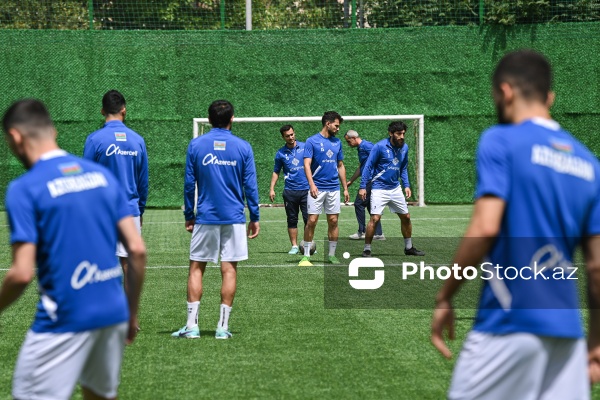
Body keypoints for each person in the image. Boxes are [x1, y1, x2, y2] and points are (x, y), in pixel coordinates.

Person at [431, 50, 600, 399]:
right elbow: (597, 268)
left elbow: (486, 225)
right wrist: (596, 345)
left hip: (508, 323)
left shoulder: (501, 140)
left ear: (504, 91)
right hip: (567, 336)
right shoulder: (589, 164)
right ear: (549, 97)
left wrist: (445, 296)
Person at [0, 99, 146, 400]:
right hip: (112, 314)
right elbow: (137, 251)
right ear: (52, 131)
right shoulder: (102, 177)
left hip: (63, 320)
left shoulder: (24, 189)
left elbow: (22, 273)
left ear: (14, 137)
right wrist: (130, 314)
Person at [174, 100, 260, 340]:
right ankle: (222, 328)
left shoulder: (196, 145)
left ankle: (192, 327)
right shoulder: (243, 147)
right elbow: (250, 186)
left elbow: (189, 184)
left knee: (196, 267)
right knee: (229, 269)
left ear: (209, 119)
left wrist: (189, 215)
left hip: (206, 217)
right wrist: (255, 216)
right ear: (232, 118)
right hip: (233, 218)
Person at [83, 90, 148, 290]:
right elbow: (142, 181)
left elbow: (86, 180)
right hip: (129, 212)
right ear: (124, 110)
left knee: (98, 267)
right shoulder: (137, 140)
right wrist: (141, 209)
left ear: (102, 111)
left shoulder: (94, 140)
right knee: (129, 265)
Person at [359, 121, 425, 257]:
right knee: (375, 218)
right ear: (391, 133)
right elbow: (368, 166)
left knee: (406, 217)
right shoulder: (379, 146)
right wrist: (362, 186)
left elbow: (403, 168)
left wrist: (406, 185)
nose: (402, 136)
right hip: (379, 188)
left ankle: (408, 248)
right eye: (398, 134)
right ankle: (367, 249)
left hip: (395, 188)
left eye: (403, 134)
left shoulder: (404, 147)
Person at [299, 111, 349, 267]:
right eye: (336, 125)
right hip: (317, 188)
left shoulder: (337, 143)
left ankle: (332, 255)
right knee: (312, 221)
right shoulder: (311, 141)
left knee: (333, 221)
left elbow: (340, 165)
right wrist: (312, 185)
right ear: (328, 123)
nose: (338, 129)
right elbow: (306, 164)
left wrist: (345, 188)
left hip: (333, 188)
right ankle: (306, 256)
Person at [269, 124, 310, 255]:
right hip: (290, 191)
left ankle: (307, 245)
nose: (291, 137)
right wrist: (272, 189)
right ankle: (294, 246)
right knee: (292, 219)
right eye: (287, 136)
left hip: (307, 190)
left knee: (308, 219)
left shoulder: (305, 147)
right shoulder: (280, 153)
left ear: (294, 133)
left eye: (292, 134)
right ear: (283, 137)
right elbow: (276, 172)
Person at [344, 129, 384, 241]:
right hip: (370, 180)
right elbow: (362, 167)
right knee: (371, 206)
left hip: (372, 180)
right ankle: (378, 233)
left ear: (354, 138)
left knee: (359, 204)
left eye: (348, 141)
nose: (348, 144)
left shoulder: (367, 146)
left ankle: (362, 231)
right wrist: (351, 180)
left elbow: (380, 155)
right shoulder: (361, 148)